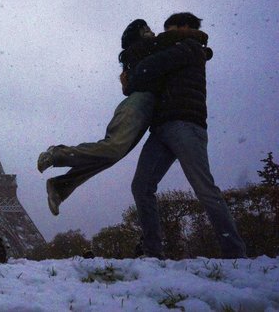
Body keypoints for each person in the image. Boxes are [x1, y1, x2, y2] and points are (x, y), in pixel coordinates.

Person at [38, 19, 214, 216]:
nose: (151, 32)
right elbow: (171, 44)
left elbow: (171, 56)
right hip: (139, 103)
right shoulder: (144, 47)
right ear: (135, 37)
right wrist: (197, 38)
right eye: (144, 29)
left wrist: (199, 53)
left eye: (149, 28)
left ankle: (61, 186)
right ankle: (57, 154)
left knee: (111, 155)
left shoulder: (147, 50)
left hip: (148, 112)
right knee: (113, 148)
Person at [126, 12, 246, 259]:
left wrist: (134, 66)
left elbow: (149, 69)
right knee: (141, 186)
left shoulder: (190, 48)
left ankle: (235, 253)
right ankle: (151, 252)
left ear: (183, 27)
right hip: (162, 129)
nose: (163, 33)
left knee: (204, 188)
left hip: (184, 125)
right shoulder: (179, 50)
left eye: (168, 28)